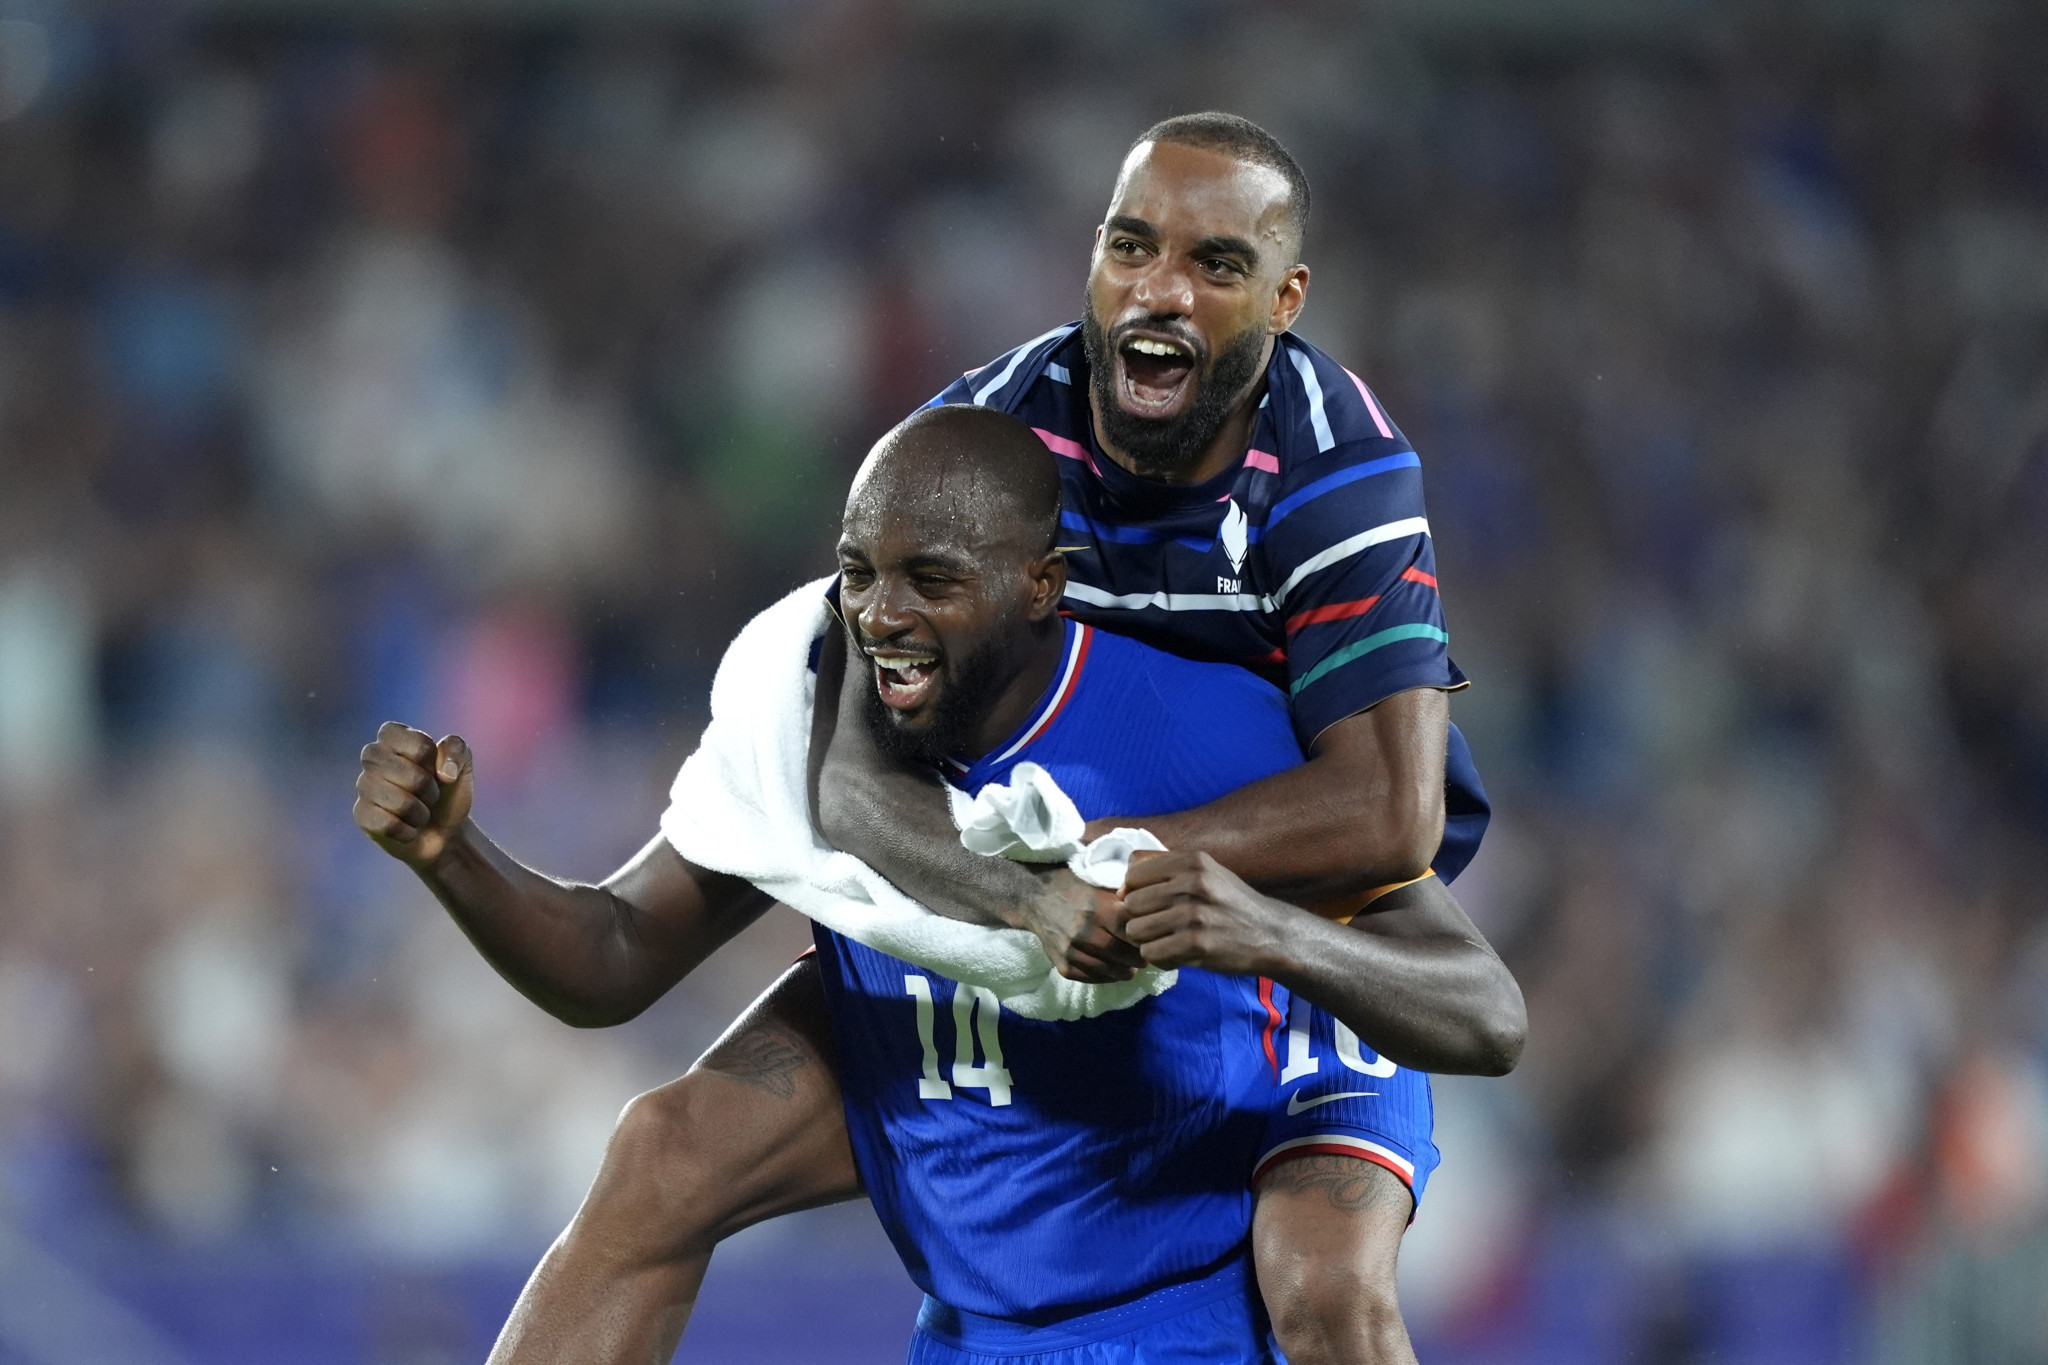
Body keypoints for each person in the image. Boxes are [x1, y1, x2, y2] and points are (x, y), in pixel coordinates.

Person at [353, 112, 1509, 1362]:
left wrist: (1128, 872)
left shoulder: (1323, 505)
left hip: (1234, 925)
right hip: (1007, 933)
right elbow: (740, 863)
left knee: (1323, 1285)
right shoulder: (965, 462)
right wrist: (451, 854)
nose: (1158, 287)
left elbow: (1393, 832)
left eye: (1214, 263)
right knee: (661, 1151)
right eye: (1129, 245)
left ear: (1040, 582)